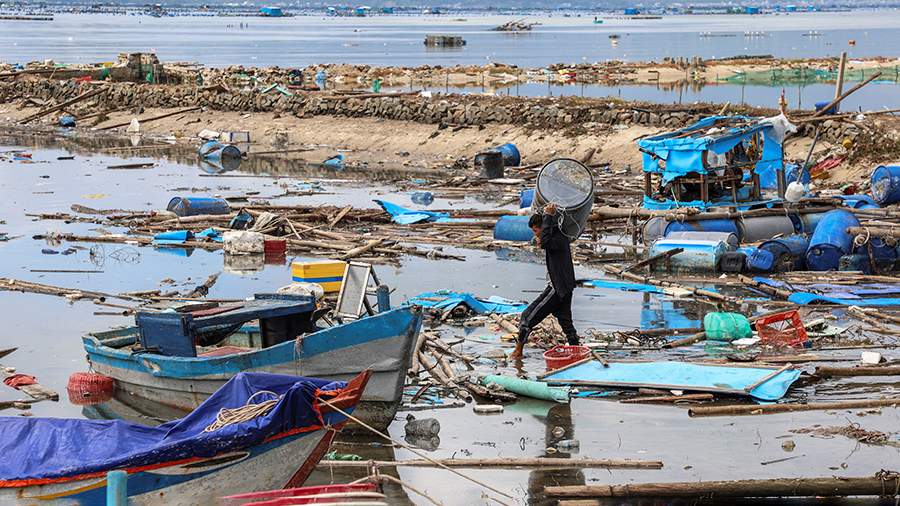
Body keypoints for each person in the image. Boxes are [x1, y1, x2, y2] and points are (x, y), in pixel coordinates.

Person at [510, 203, 578, 359]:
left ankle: (518, 351)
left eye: (535, 230)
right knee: (566, 323)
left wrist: (547, 216)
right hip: (566, 287)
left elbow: (545, 242)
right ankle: (576, 352)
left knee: (527, 317)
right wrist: (542, 231)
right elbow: (543, 242)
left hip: (557, 287)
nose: (536, 235)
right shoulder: (560, 236)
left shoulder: (555, 237)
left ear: (543, 227)